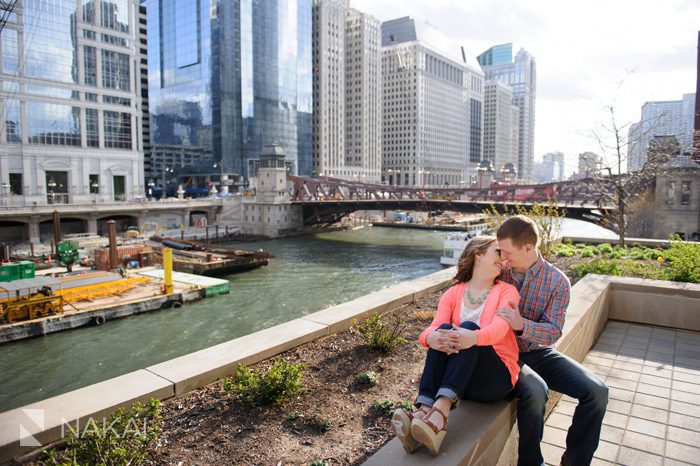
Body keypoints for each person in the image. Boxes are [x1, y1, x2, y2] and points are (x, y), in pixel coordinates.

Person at [495, 215, 608, 466]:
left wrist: (521, 325)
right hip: (505, 355)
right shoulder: (499, 272)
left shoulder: (557, 281)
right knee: (536, 392)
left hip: (539, 353)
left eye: (507, 251)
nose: (503, 257)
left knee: (597, 392)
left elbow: (553, 331)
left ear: (528, 247)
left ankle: (575, 462)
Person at [391, 236, 521, 455]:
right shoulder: (453, 293)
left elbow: (499, 331)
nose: (504, 259)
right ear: (478, 254)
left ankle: (439, 414)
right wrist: (430, 338)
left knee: (468, 327)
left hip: (495, 381)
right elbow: (429, 329)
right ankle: (424, 414)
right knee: (442, 329)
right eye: (498, 252)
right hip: (462, 383)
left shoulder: (507, 291)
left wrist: (472, 336)